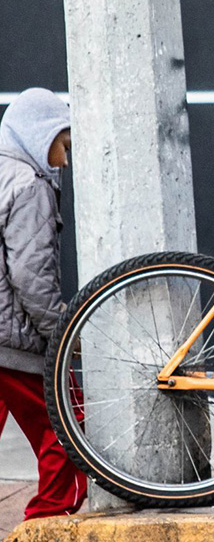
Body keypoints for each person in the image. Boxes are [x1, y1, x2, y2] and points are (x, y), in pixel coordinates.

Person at [0, 88, 87, 519]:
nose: (65, 161)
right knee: (67, 429)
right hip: (16, 341)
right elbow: (30, 278)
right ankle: (49, 515)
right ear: (38, 135)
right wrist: (63, 332)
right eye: (63, 144)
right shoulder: (29, 186)